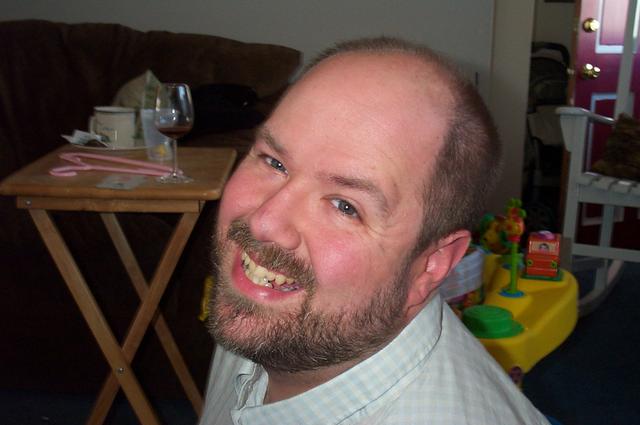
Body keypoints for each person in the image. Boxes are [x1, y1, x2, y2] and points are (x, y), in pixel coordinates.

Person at [200, 37, 550, 425]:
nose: (264, 222)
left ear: (431, 265)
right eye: (273, 162)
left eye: (345, 206)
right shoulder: (269, 309)